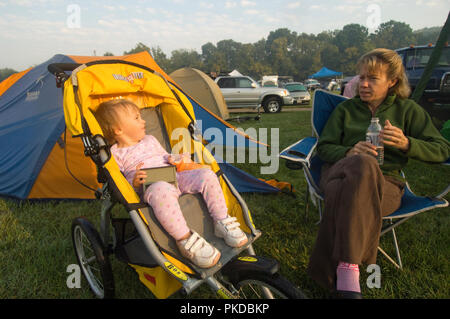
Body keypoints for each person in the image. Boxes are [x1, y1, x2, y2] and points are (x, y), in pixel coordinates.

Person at [307, 48, 450, 298]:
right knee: (363, 163)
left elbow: (441, 149)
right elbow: (324, 147)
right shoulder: (345, 110)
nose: (362, 84)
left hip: (386, 185)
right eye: (360, 77)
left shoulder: (408, 111)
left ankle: (333, 272)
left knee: (351, 187)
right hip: (339, 172)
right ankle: (350, 274)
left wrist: (407, 144)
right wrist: (349, 151)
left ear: (392, 81)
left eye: (372, 78)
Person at [94, 99, 248, 269]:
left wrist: (176, 159)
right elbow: (121, 184)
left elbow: (164, 156)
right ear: (118, 130)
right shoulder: (115, 154)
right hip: (153, 186)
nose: (143, 121)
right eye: (137, 118)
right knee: (160, 189)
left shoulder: (150, 139)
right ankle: (184, 239)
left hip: (175, 175)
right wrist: (135, 182)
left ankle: (221, 221)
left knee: (206, 174)